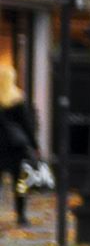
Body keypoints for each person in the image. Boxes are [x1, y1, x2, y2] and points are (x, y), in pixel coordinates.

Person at [0, 67, 40, 227]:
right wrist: (35, 146)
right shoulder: (17, 99)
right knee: (20, 183)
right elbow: (27, 125)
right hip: (16, 147)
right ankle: (21, 216)